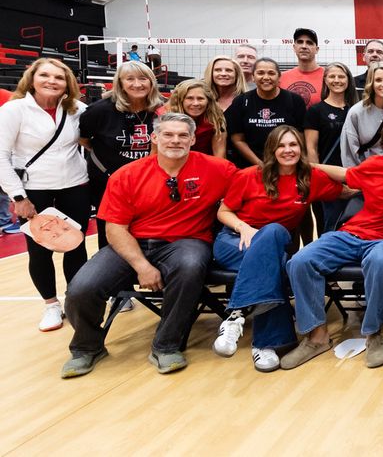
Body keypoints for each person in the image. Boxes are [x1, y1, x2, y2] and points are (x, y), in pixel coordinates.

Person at [60, 113, 237, 378]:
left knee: (190, 267)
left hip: (186, 242)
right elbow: (115, 228)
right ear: (154, 138)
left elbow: (255, 186)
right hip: (131, 244)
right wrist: (142, 265)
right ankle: (87, 347)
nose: (174, 140)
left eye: (182, 136)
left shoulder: (220, 169)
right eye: (168, 134)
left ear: (192, 140)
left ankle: (166, 346)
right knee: (81, 288)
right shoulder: (127, 175)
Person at [283, 118, 383, 370]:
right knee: (300, 261)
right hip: (351, 233)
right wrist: (310, 165)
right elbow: (345, 174)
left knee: (378, 262)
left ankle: (373, 333)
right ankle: (317, 337)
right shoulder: (373, 165)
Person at [211, 126, 345, 372]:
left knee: (273, 234)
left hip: (272, 246)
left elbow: (350, 181)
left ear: (301, 149)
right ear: (271, 150)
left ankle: (236, 316)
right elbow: (223, 212)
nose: (288, 150)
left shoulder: (309, 178)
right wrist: (244, 228)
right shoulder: (250, 175)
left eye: (293, 145)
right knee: (272, 248)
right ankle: (265, 344)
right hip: (235, 241)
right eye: (281, 146)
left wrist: (314, 166)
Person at [0, 58, 90, 332]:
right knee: (39, 250)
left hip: (75, 185)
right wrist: (17, 196)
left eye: (59, 77)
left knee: (76, 245)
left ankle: (77, 302)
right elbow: (1, 156)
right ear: (32, 78)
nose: (52, 81)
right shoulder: (14, 109)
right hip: (33, 189)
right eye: (45, 75)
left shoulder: (77, 109)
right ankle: (51, 305)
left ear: (68, 84)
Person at [80, 60, 165, 249]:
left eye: (143, 78)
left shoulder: (162, 108)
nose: (137, 84)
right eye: (130, 79)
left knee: (147, 227)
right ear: (120, 83)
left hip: (147, 181)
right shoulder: (100, 110)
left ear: (151, 82)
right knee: (110, 231)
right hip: (108, 181)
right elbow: (83, 139)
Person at [304, 62, 359, 233]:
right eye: (332, 76)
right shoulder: (316, 111)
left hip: (353, 177)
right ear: (325, 80)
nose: (337, 80)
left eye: (341, 76)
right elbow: (311, 148)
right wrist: (319, 178)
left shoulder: (356, 110)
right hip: (329, 178)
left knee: (354, 226)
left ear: (348, 80)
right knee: (330, 226)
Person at [225, 58, 307, 168]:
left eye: (271, 73)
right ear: (253, 77)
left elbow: (300, 137)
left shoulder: (294, 101)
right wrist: (261, 165)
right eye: (260, 73)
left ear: (279, 77)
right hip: (251, 166)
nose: (266, 77)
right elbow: (238, 140)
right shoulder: (241, 101)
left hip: (286, 165)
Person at [167, 79, 226, 160]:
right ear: (180, 100)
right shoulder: (166, 119)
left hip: (205, 164)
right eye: (190, 98)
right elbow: (157, 153)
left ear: (208, 100)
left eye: (200, 98)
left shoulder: (216, 118)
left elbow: (220, 155)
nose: (195, 103)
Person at [280, 28, 324, 107]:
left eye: (309, 43)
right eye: (300, 42)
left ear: (317, 49)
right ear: (294, 47)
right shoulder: (281, 77)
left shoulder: (328, 76)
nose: (304, 46)